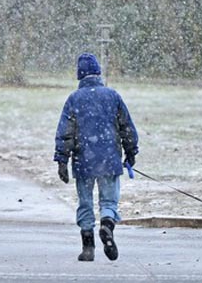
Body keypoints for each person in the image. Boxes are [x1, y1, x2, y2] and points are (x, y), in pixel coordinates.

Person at [53, 53, 139, 262]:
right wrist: (130, 151)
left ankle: (88, 246)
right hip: (109, 159)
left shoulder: (74, 99)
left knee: (85, 202)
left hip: (83, 159)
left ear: (80, 76)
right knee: (109, 200)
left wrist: (62, 160)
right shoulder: (113, 96)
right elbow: (126, 127)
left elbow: (65, 132)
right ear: (98, 73)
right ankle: (107, 225)